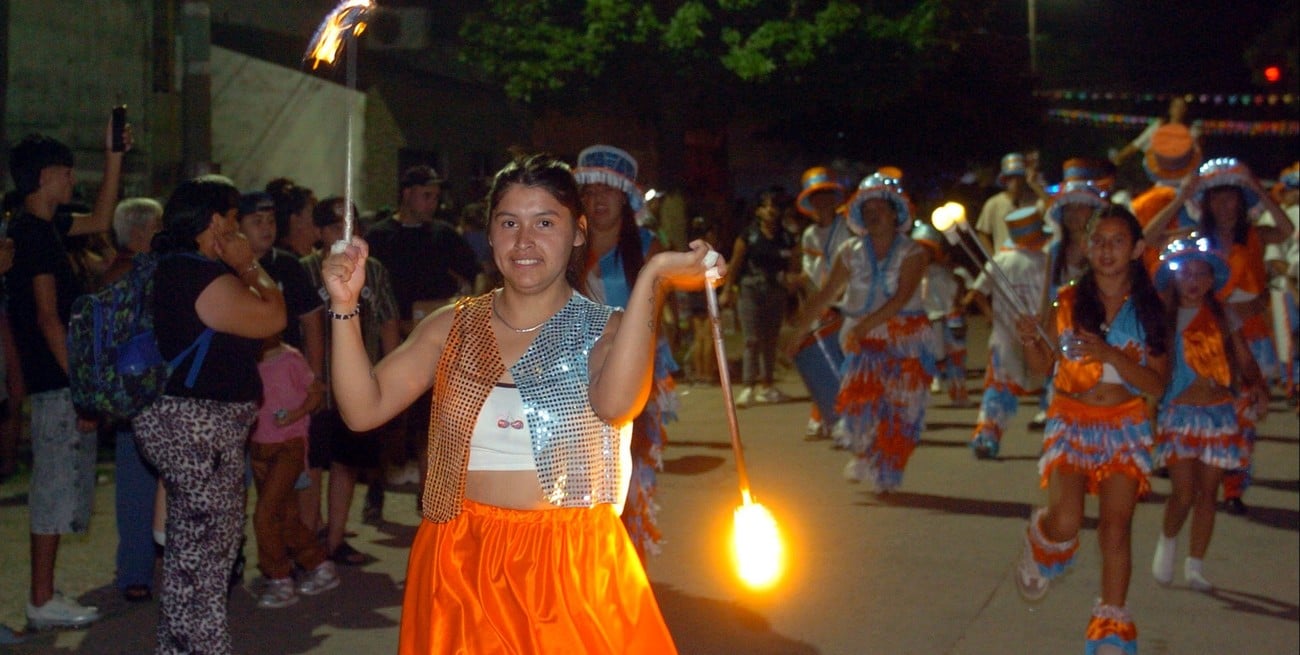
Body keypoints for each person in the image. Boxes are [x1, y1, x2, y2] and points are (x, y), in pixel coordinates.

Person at [323, 153, 701, 653]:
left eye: (545, 222)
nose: (525, 241)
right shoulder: (451, 326)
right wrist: (345, 307)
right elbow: (362, 409)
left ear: (578, 233)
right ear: (491, 234)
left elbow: (617, 406)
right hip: (458, 558)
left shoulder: (607, 329)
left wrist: (652, 278)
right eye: (509, 223)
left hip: (568, 567)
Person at [131, 175, 286, 654]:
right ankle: (192, 647)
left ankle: (191, 645)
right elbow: (272, 318)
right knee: (202, 556)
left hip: (188, 425)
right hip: (199, 429)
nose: (239, 231)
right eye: (235, 219)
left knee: (197, 550)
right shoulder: (199, 275)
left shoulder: (170, 267)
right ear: (215, 221)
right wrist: (251, 267)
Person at [1013, 205, 1169, 655]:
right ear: (1085, 246)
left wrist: (1112, 356)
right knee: (1066, 520)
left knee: (1115, 529)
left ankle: (1111, 632)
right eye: (1098, 240)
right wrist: (1029, 340)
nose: (1106, 250)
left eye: (1117, 241)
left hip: (1125, 426)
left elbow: (1156, 383)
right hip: (1071, 419)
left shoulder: (1150, 309)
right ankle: (1042, 542)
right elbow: (1043, 367)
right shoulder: (1066, 301)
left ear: (1137, 249)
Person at [6, 123, 129, 630]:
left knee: (63, 489)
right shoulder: (30, 235)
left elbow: (101, 218)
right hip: (54, 379)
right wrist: (83, 387)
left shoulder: (46, 226)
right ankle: (40, 600)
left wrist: (113, 154)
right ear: (43, 177)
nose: (71, 178)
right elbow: (46, 316)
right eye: (64, 171)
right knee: (54, 492)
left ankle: (45, 594)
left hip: (57, 378)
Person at [1144, 157, 1293, 514]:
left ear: (1242, 203)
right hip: (1201, 337)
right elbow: (1148, 237)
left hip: (1251, 336)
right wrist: (1182, 198)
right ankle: (1189, 462)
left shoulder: (1255, 236)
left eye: (1232, 199)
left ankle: (1234, 484)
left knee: (1244, 414)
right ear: (1207, 205)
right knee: (1198, 402)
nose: (1225, 206)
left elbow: (1287, 229)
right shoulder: (1197, 239)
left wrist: (1258, 189)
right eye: (1217, 199)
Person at [788, 173, 936, 491]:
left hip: (905, 337)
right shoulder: (850, 251)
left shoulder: (914, 252)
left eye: (879, 207)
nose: (872, 213)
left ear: (895, 212)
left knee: (900, 411)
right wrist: (799, 331)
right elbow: (826, 293)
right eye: (866, 208)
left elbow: (900, 298)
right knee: (860, 407)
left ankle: (887, 469)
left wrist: (867, 324)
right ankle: (868, 457)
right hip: (861, 339)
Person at [574, 143, 678, 559]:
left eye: (608, 191)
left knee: (623, 475)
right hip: (572, 378)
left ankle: (622, 563)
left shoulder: (649, 250)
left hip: (629, 378)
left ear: (626, 197)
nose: (597, 200)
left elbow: (654, 322)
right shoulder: (565, 245)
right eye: (590, 191)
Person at [1150, 236, 1265, 593]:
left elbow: (1244, 357)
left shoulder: (1222, 314)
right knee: (1183, 492)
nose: (1194, 280)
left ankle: (1195, 564)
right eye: (1187, 273)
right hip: (1179, 413)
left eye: (1201, 273)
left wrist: (1258, 385)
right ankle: (1168, 542)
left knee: (1208, 493)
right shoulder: (1162, 319)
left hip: (1217, 414)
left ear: (1211, 279)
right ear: (1175, 278)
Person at [365, 164, 480, 519]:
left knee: (430, 421)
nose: (433, 202)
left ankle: (428, 494)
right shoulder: (380, 236)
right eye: (426, 194)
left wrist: (454, 310)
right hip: (391, 338)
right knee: (386, 421)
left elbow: (475, 278)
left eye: (436, 195)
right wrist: (391, 325)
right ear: (407, 193)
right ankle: (375, 489)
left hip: (435, 343)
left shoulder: (444, 235)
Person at [299, 196, 400, 563]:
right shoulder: (305, 269)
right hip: (314, 388)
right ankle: (308, 539)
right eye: (334, 227)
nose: (344, 233)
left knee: (346, 463)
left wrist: (389, 379)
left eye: (352, 225)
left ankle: (335, 540)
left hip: (357, 387)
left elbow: (388, 321)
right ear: (319, 232)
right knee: (312, 464)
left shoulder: (373, 270)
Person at [102, 197, 165, 603]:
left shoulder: (122, 270)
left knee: (141, 482)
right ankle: (135, 571)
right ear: (143, 230)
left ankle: (138, 567)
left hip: (138, 388)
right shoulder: (131, 272)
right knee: (138, 485)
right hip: (139, 389)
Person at [249, 333, 339, 609]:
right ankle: (318, 564)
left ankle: (279, 577)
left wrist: (295, 415)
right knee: (285, 515)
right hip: (258, 445)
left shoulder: (290, 359)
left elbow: (315, 393)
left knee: (264, 515)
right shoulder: (247, 359)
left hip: (289, 445)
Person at [965, 206, 1049, 459]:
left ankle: (986, 437)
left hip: (1005, 336)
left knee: (999, 388)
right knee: (1053, 386)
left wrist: (995, 319)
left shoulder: (999, 261)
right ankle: (1059, 443)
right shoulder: (1048, 259)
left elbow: (975, 294)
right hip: (1042, 334)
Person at [724, 189, 798, 408]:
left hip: (776, 292)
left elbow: (794, 267)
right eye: (766, 206)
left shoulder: (786, 237)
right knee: (751, 338)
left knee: (770, 340)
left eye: (774, 206)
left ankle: (767, 385)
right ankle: (748, 386)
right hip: (750, 291)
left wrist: (792, 288)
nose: (771, 211)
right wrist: (727, 289)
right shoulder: (749, 236)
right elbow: (735, 265)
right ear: (758, 211)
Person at [793, 166, 850, 437]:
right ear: (809, 201)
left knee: (849, 362)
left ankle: (849, 418)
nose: (822, 201)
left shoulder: (849, 226)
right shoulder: (809, 236)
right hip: (823, 305)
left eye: (826, 194)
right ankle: (824, 414)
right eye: (816, 196)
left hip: (849, 303)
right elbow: (808, 274)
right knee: (822, 359)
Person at [912, 221, 969, 408]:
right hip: (924, 320)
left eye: (926, 250)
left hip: (947, 318)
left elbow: (956, 287)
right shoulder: (911, 275)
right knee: (924, 357)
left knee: (956, 357)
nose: (922, 255)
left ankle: (958, 392)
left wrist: (956, 306)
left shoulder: (941, 272)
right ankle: (928, 387)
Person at [975, 152, 1046, 255]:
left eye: (1019, 177)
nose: (1015, 182)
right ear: (1004, 180)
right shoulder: (993, 203)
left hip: (1033, 262)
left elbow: (1053, 209)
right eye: (1011, 177)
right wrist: (994, 259)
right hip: (1006, 263)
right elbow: (982, 234)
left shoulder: (1035, 201)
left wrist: (1035, 184)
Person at [1110, 96, 1202, 167]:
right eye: (1176, 106)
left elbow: (1196, 153)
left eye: (1182, 107)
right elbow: (1138, 143)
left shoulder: (1192, 130)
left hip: (1181, 172)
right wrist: (1119, 157)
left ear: (1186, 110)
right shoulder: (1159, 125)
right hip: (1158, 170)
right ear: (1170, 109)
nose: (1178, 110)